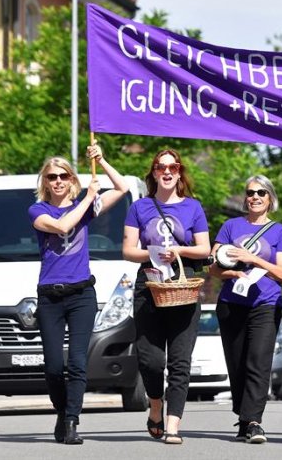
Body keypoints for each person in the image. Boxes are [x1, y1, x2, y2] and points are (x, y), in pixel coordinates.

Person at [29, 144, 129, 444]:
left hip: (82, 294)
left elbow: (122, 187)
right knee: (53, 366)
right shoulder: (38, 210)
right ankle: (62, 411)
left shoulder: (85, 207)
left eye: (63, 176)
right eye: (51, 177)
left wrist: (101, 160)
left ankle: (72, 420)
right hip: (50, 296)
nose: (57, 181)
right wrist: (87, 197)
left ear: (72, 179)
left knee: (77, 362)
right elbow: (61, 227)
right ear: (44, 183)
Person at [122, 149, 210, 445]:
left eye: (173, 167)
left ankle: (173, 425)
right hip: (148, 286)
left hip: (184, 287)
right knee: (151, 360)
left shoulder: (193, 207)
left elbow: (204, 249)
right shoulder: (140, 207)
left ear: (180, 172)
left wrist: (179, 252)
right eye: (161, 167)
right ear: (154, 172)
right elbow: (128, 250)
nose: (168, 171)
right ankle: (156, 405)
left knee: (180, 361)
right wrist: (154, 253)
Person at [208, 175, 282, 444]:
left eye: (261, 193)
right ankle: (243, 417)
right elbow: (213, 266)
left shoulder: (279, 231)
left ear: (270, 198)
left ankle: (254, 421)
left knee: (258, 361)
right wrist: (230, 272)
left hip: (265, 303)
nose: (255, 197)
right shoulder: (231, 226)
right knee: (237, 363)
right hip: (232, 303)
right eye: (250, 193)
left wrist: (252, 258)